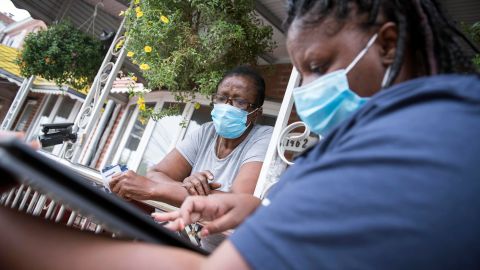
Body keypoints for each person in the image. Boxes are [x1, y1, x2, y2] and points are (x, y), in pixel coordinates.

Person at [1, 0, 480, 269]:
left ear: (389, 44)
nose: (309, 92)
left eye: (318, 67)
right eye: (301, 74)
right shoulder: (379, 138)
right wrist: (257, 211)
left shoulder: (416, 144)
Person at [109, 66, 273, 206]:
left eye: (240, 102)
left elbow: (237, 204)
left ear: (256, 113)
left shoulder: (264, 138)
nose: (227, 106)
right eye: (221, 98)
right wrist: (186, 188)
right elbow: (155, 173)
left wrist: (153, 189)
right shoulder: (207, 132)